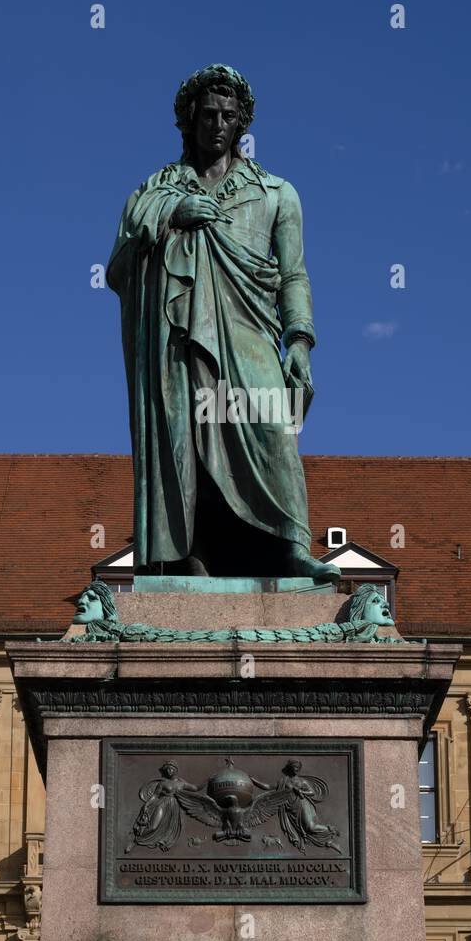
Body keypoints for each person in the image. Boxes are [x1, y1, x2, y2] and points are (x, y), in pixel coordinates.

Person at [107, 63, 340, 581]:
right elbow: (119, 268)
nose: (217, 124)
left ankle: (289, 546)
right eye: (207, 114)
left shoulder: (277, 194)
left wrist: (299, 341)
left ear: (242, 125)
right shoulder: (156, 190)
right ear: (189, 120)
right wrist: (171, 216)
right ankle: (188, 554)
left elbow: (294, 277)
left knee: (271, 426)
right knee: (184, 441)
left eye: (228, 116)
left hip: (250, 334)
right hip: (178, 344)